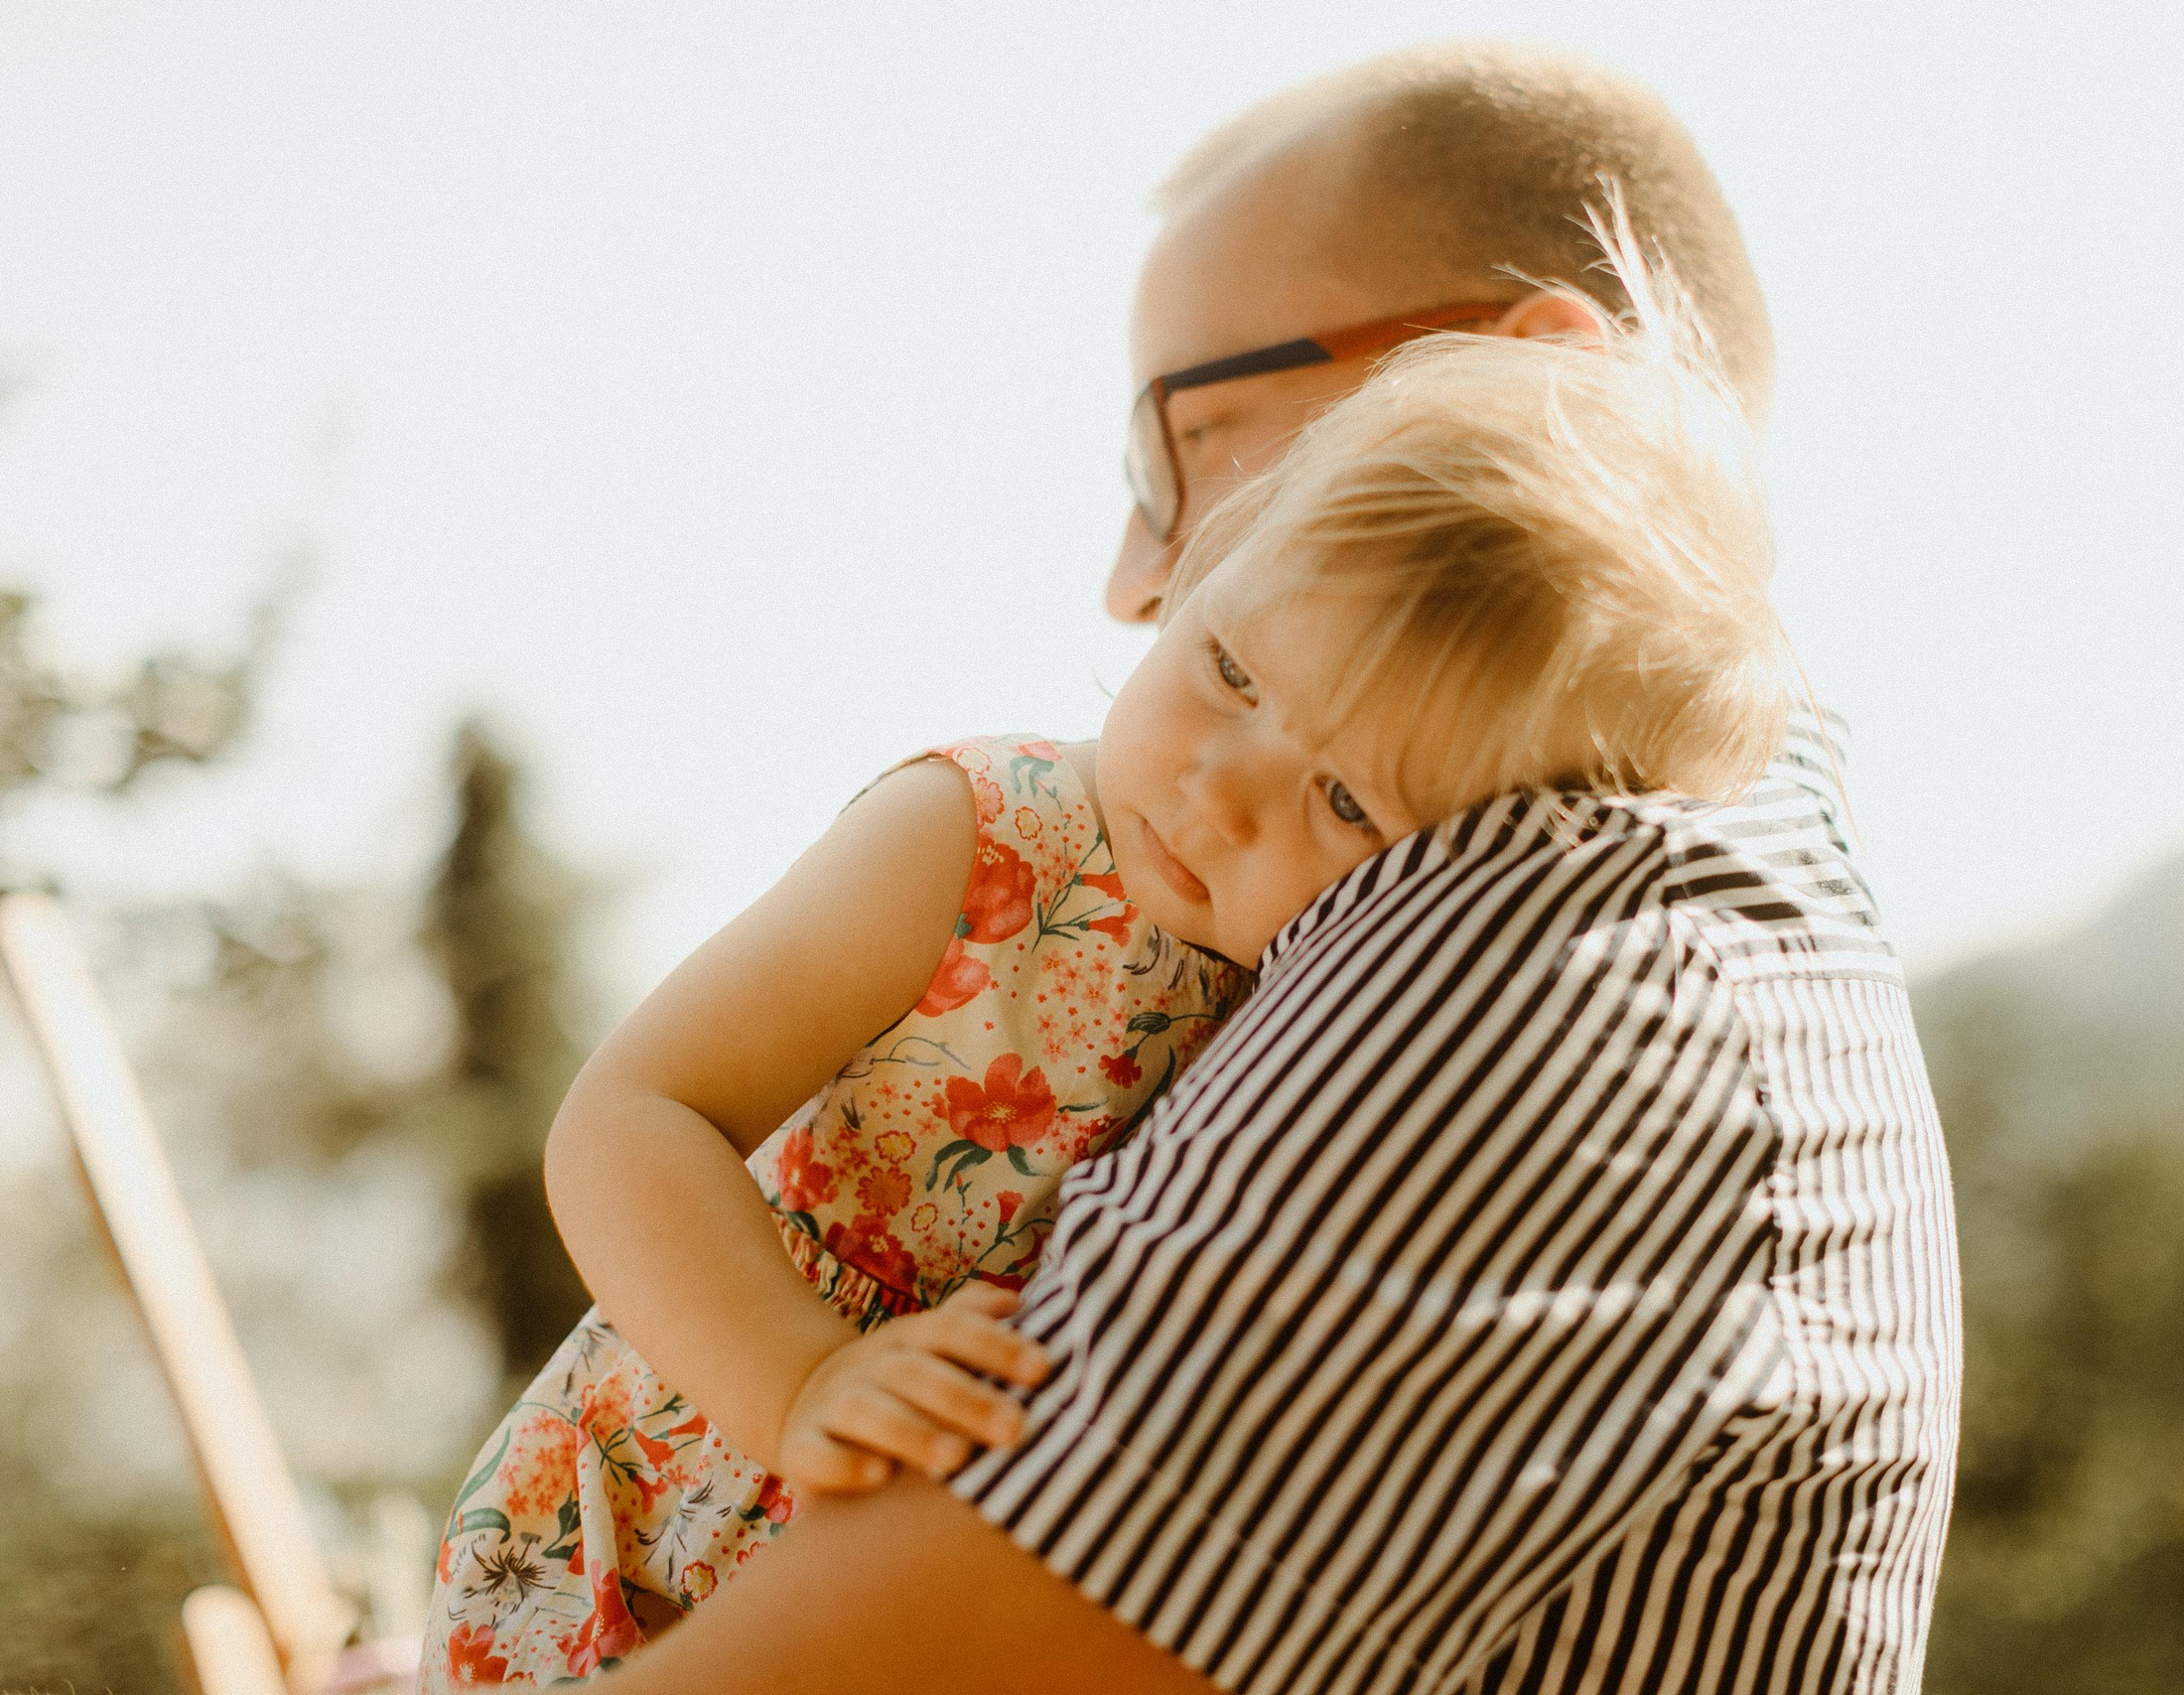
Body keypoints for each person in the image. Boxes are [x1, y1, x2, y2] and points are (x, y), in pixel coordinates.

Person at [545, 40, 1956, 1695]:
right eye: (1227, 660)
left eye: (1198, 434)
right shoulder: (1190, 873)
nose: (1135, 575)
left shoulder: (1568, 964)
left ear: (1549, 393)